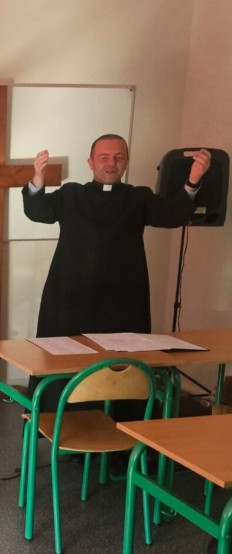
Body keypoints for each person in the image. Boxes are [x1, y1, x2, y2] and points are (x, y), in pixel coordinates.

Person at [24, 134, 212, 413]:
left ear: (126, 162)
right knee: (62, 364)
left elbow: (171, 214)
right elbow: (37, 211)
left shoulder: (139, 197)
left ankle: (123, 429)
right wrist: (38, 179)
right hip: (70, 299)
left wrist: (193, 179)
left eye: (118, 157)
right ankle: (59, 426)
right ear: (91, 162)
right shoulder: (71, 194)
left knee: (122, 364)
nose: (111, 164)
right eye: (104, 157)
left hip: (123, 300)